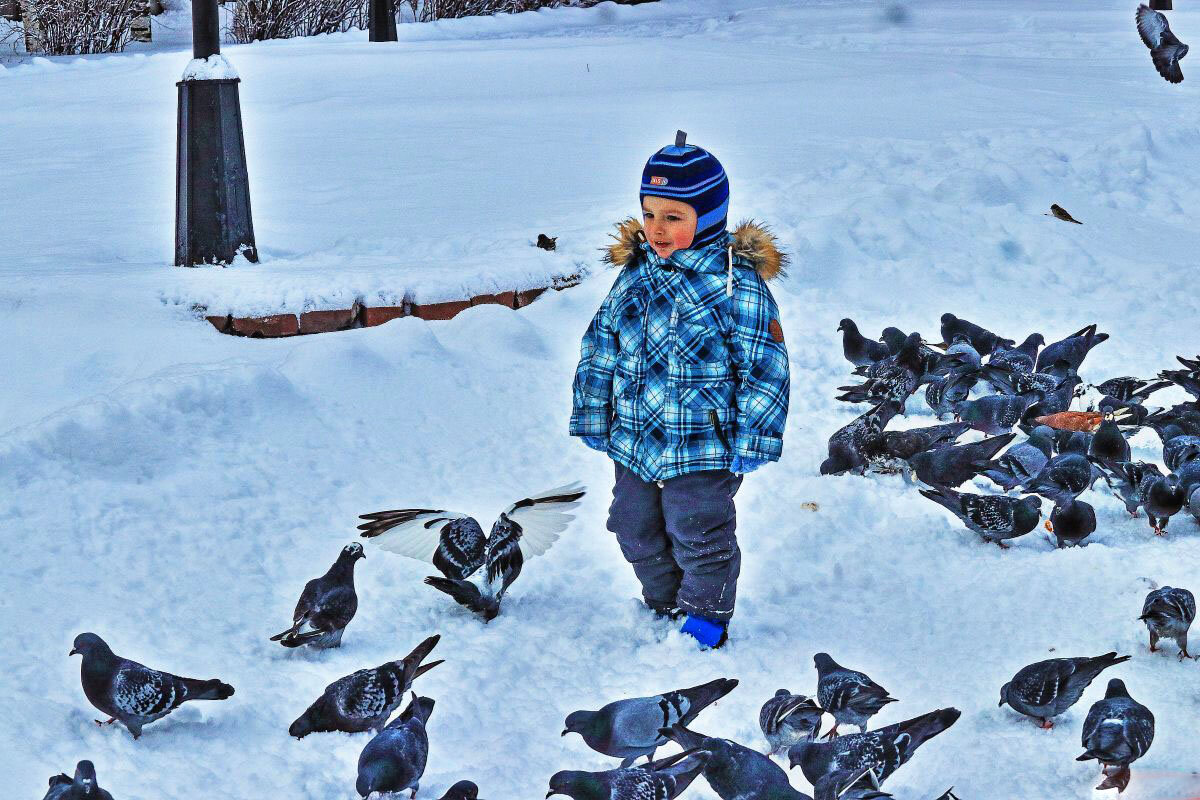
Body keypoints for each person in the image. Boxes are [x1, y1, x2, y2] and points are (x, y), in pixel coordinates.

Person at [569, 132, 790, 648]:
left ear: (708, 217)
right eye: (649, 215)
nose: (656, 230)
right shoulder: (636, 275)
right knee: (630, 523)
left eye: (674, 217)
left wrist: (754, 438)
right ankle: (664, 602)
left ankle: (704, 619)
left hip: (704, 440)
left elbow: (765, 367)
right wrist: (594, 412)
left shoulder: (735, 285)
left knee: (698, 530)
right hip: (636, 437)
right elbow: (602, 342)